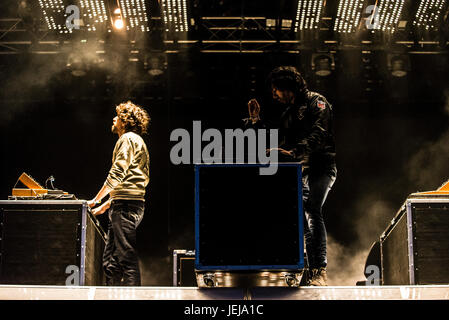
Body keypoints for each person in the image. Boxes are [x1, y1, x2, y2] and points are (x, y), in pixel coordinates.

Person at [244, 66, 337, 286]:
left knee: (312, 209)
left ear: (288, 87)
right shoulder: (288, 114)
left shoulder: (317, 102)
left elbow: (320, 134)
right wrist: (256, 122)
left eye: (277, 90)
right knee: (299, 216)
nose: (274, 95)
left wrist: (294, 152)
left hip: (321, 167)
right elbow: (278, 143)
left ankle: (319, 270)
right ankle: (311, 269)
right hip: (300, 171)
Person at [88, 101, 150, 286]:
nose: (114, 119)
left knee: (126, 258)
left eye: (118, 116)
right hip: (123, 204)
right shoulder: (134, 140)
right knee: (111, 262)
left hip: (125, 207)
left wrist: (95, 200)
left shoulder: (128, 139)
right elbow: (128, 182)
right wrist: (104, 206)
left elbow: (117, 173)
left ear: (125, 121)